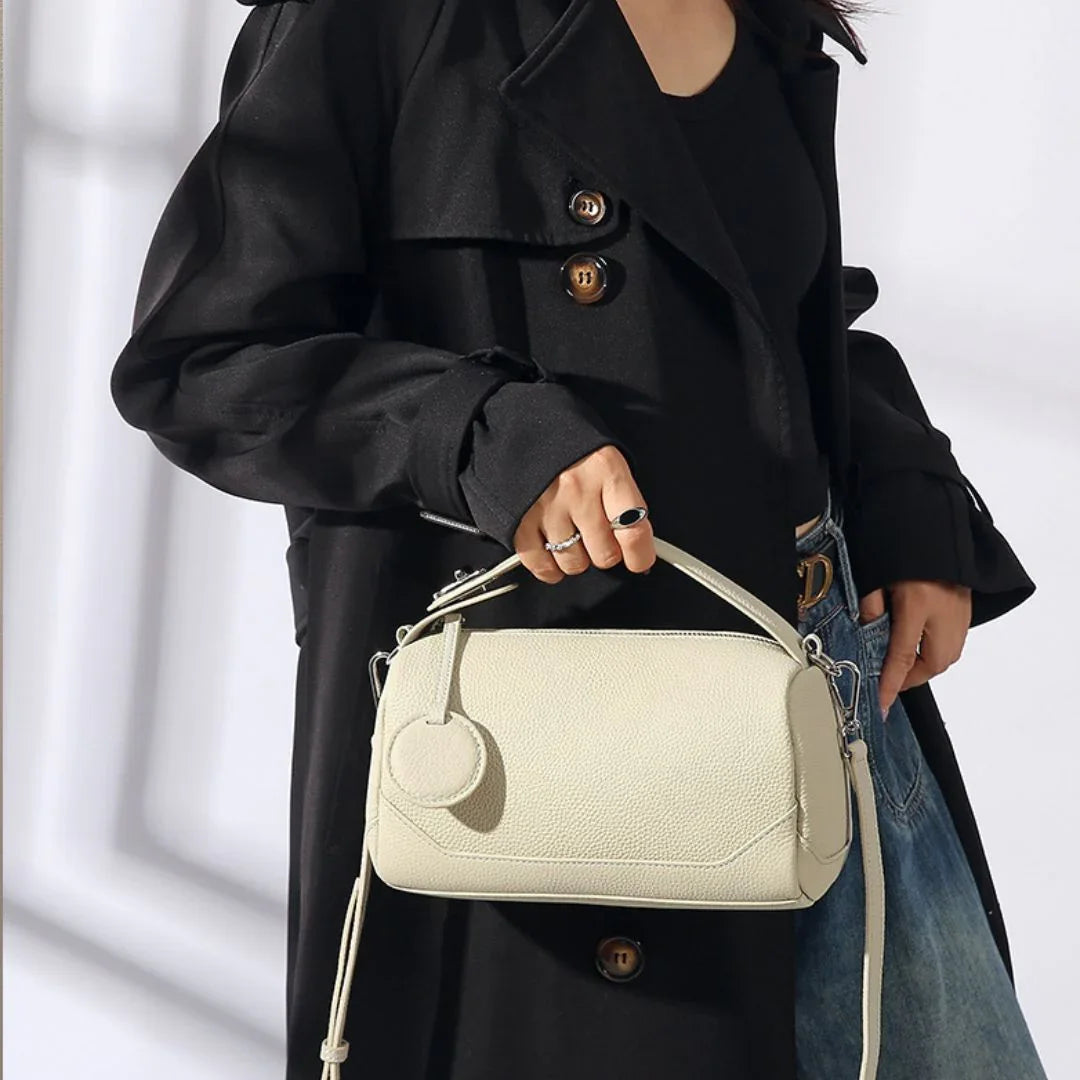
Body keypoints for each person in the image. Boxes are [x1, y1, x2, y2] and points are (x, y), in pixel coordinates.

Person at [110, 0, 1045, 1076]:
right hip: (545, 766)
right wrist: (481, 434)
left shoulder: (771, 23)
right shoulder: (375, 20)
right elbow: (205, 358)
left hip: (826, 704)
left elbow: (777, 325)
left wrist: (905, 494)